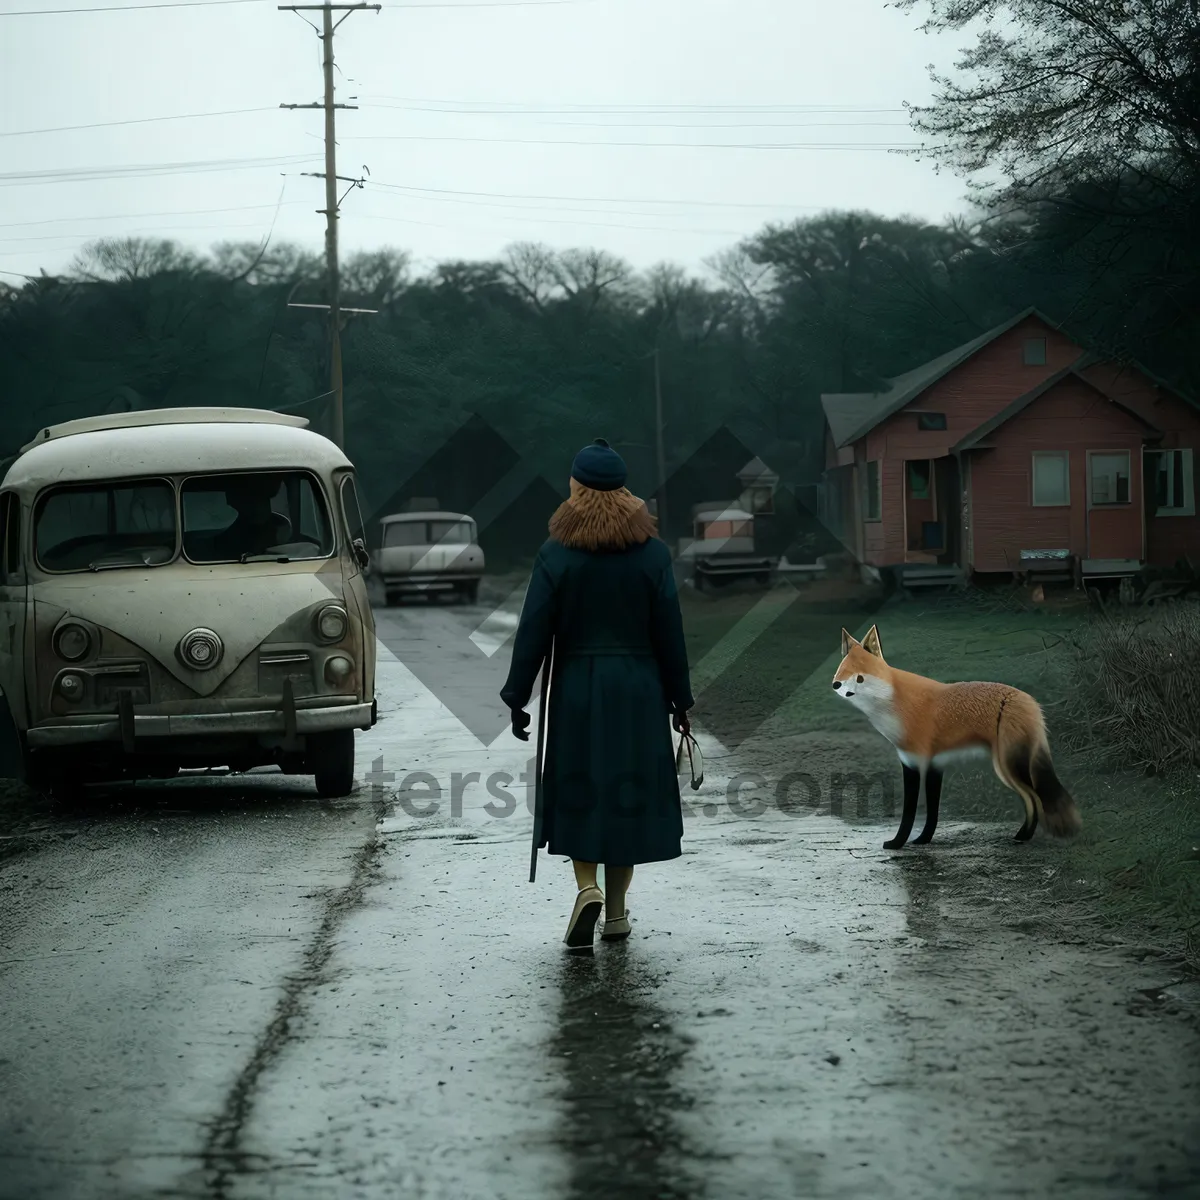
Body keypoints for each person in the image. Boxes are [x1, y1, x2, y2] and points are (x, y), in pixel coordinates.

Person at [500, 438, 694, 948]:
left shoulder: (555, 554)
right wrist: (680, 699)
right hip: (638, 688)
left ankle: (587, 889)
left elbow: (535, 628)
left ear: (576, 487)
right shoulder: (652, 554)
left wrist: (517, 693)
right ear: (625, 491)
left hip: (577, 689)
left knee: (582, 790)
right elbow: (669, 630)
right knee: (625, 796)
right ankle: (619, 915)